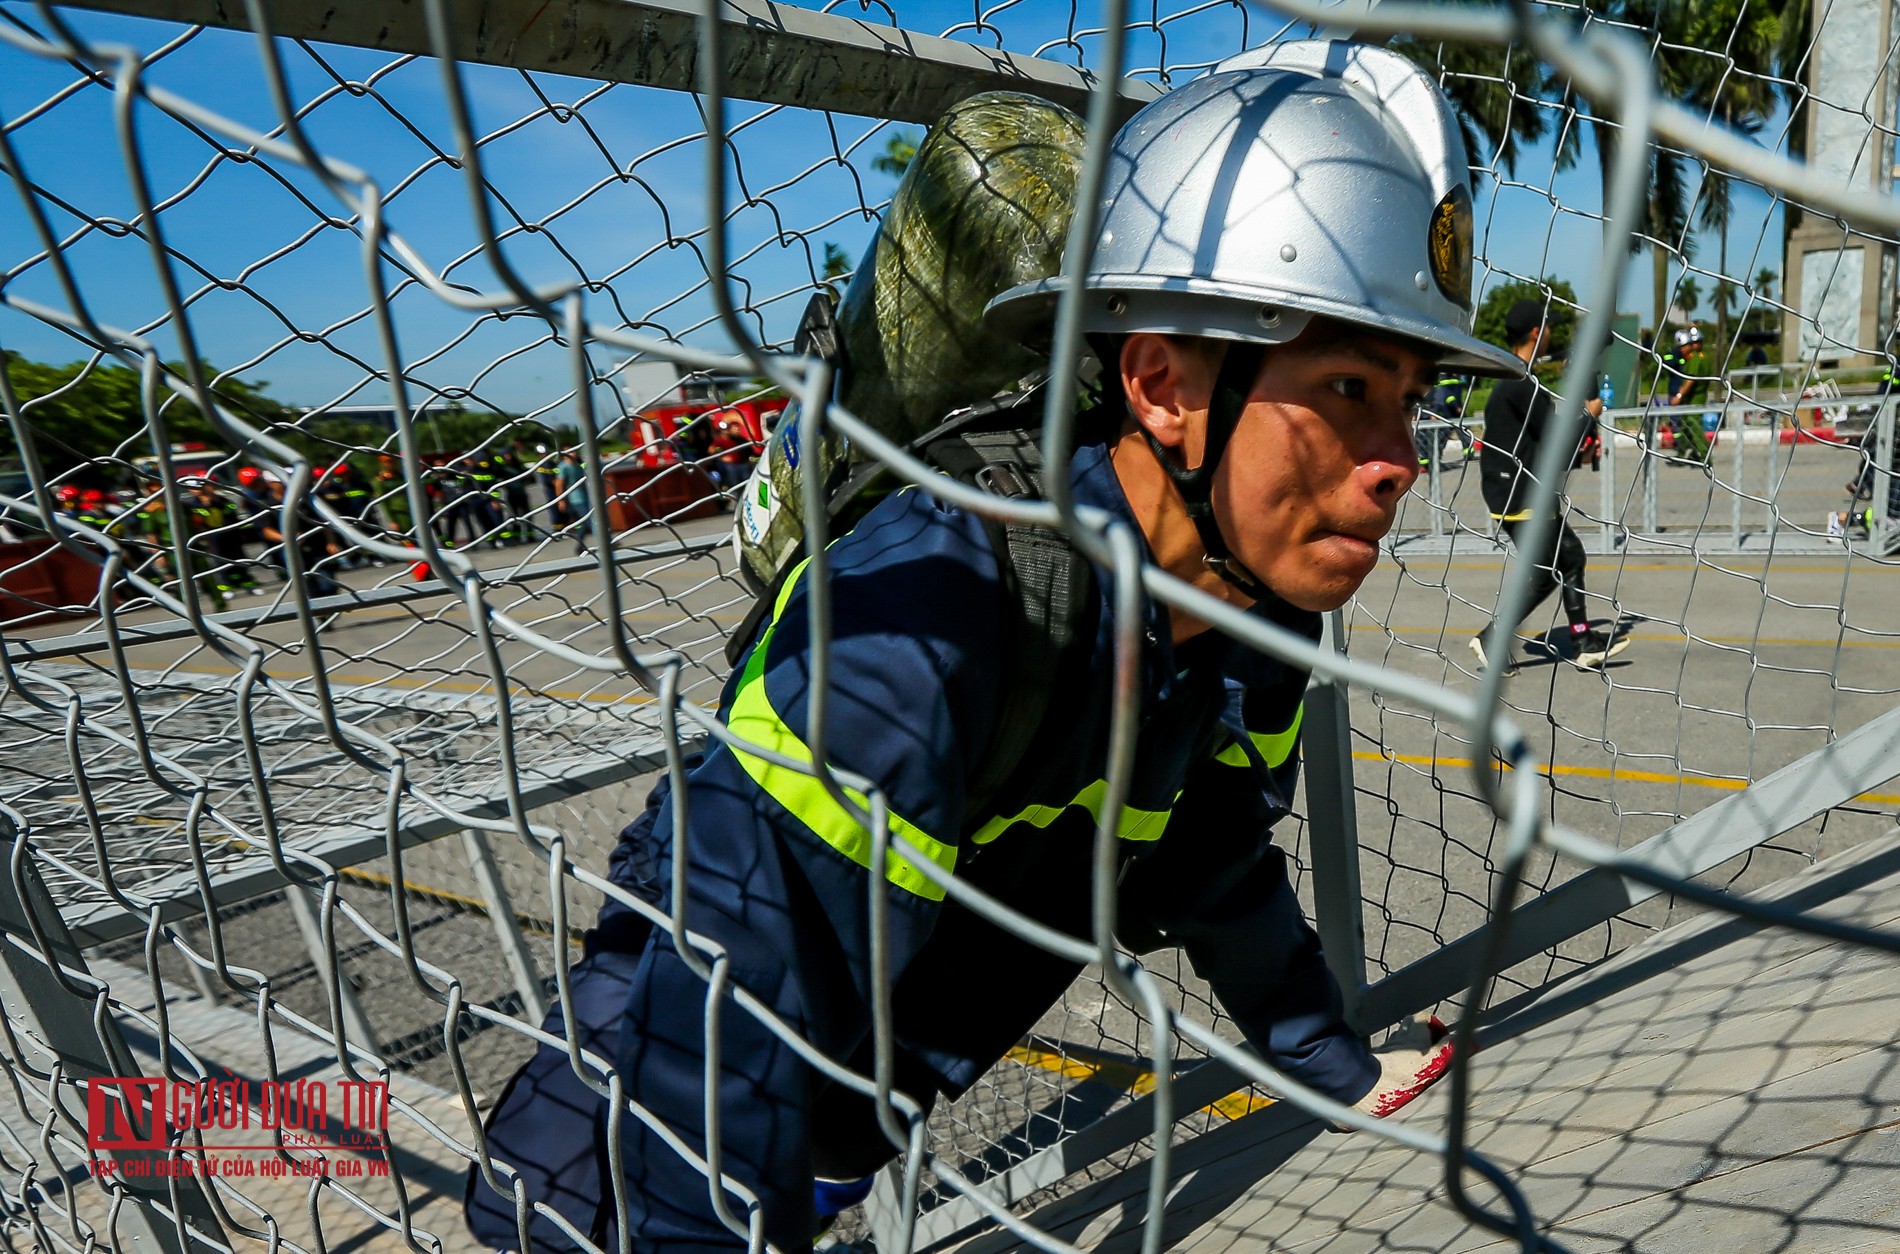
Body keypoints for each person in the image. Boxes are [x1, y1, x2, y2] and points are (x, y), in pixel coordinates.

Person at [466, 42, 1518, 1253]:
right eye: (1343, 390)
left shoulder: (1255, 608)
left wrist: (1329, 1065)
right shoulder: (928, 609)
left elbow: (1212, 857)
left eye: (1411, 399)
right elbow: (716, 1024)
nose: (1400, 460)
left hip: (852, 1111)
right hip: (633, 1133)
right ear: (1163, 384)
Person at [1468, 300, 1628, 674]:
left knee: (1563, 563)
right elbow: (1556, 440)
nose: (1552, 334)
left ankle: (1581, 639)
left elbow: (1539, 444)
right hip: (1521, 496)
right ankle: (1500, 638)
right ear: (1537, 333)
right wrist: (1589, 413)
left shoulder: (1517, 380)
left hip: (1519, 492)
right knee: (1558, 566)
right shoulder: (1521, 384)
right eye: (1550, 328)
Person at [1660, 326, 1713, 464]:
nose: (1682, 349)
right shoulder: (1696, 357)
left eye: (1694, 343)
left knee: (1692, 424)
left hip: (1695, 396)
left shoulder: (1695, 359)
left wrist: (1679, 396)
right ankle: (1683, 454)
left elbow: (1690, 379)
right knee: (1684, 426)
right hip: (1692, 396)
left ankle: (1703, 455)